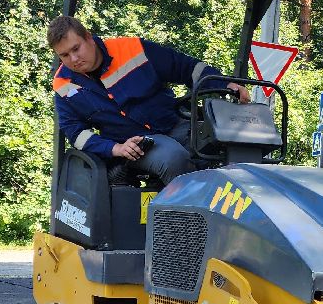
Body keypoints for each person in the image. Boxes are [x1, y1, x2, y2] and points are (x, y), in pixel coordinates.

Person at [48, 15, 250, 186]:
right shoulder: (64, 86)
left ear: (89, 38)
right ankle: (193, 227)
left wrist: (225, 85)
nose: (73, 59)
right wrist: (115, 148)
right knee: (174, 159)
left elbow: (186, 67)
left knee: (224, 143)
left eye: (76, 49)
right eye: (64, 55)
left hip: (173, 122)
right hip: (136, 144)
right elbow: (77, 134)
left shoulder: (132, 49)